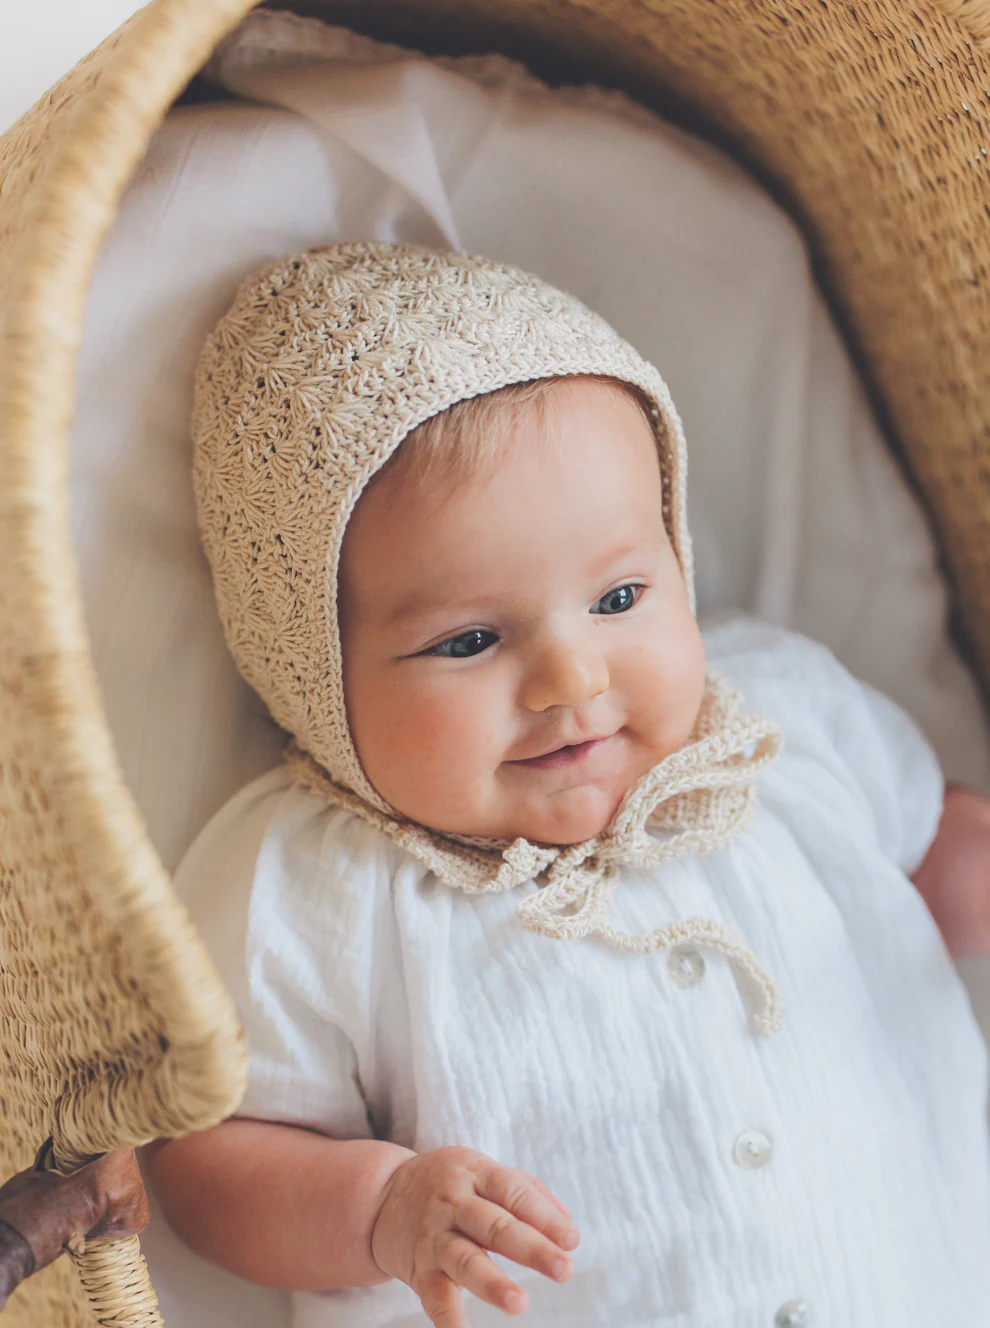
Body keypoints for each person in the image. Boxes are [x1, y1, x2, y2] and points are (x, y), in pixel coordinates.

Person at [146, 242, 990, 1328]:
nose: (570, 678)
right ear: (313, 668)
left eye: (621, 593)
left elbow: (935, 862)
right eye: (471, 639)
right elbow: (207, 1160)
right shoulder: (322, 882)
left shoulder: (785, 722)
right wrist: (379, 1206)